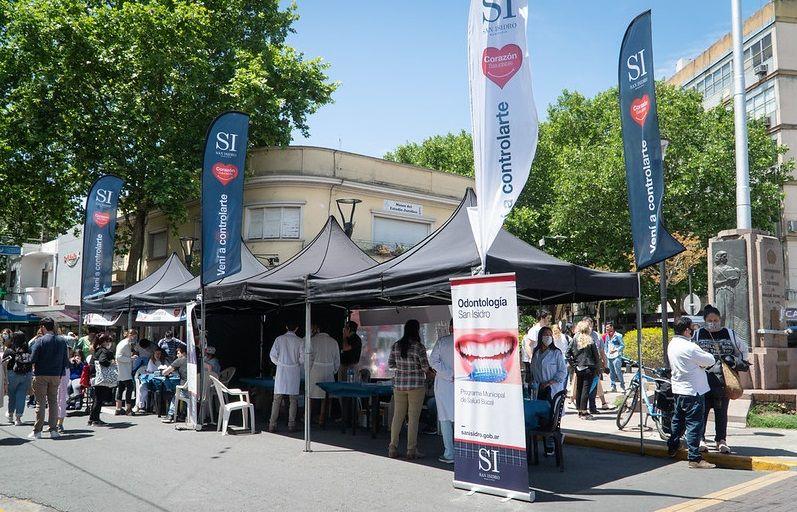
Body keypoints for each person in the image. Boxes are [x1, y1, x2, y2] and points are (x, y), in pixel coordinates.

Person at [693, 304, 750, 454]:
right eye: (710, 320)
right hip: (703, 380)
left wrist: (738, 363)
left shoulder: (729, 333)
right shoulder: (698, 334)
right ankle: (701, 439)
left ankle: (721, 440)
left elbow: (743, 349)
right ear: (705, 321)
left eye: (716, 320)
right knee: (702, 411)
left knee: (721, 411)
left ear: (720, 320)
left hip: (724, 380)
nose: (713, 323)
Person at [666, 317, 717, 469]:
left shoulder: (672, 344)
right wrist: (700, 365)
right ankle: (694, 458)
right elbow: (710, 360)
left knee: (678, 421)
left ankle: (673, 446)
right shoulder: (690, 347)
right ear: (687, 330)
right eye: (692, 328)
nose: (693, 331)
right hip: (693, 391)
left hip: (678, 389)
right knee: (694, 424)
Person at [388, 319, 430, 459]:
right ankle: (411, 450)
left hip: (399, 385)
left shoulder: (396, 345)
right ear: (416, 330)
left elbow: (390, 365)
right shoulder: (419, 347)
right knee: (413, 419)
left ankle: (392, 447)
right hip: (416, 385)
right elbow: (425, 367)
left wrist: (402, 367)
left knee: (397, 416)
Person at [28, 317, 69, 439]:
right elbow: (65, 361)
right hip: (56, 375)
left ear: (43, 327)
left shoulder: (40, 341)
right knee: (53, 402)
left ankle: (37, 431)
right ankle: (53, 429)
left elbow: (33, 358)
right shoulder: (62, 341)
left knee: (40, 403)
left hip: (41, 374)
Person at [530, 325, 568, 455]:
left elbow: (562, 372)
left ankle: (552, 443)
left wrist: (549, 382)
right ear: (540, 336)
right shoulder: (536, 353)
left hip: (552, 389)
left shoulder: (556, 353)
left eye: (550, 335)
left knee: (552, 417)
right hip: (538, 389)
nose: (548, 337)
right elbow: (533, 370)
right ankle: (549, 442)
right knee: (542, 416)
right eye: (545, 334)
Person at [269, 319, 304, 433]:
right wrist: (296, 363)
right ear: (297, 328)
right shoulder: (300, 341)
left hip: (281, 371)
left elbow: (272, 355)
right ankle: (291, 425)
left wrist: (279, 363)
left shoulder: (279, 339)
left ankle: (272, 424)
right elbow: (303, 358)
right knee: (293, 399)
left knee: (277, 399)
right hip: (294, 371)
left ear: (286, 327)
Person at [429, 319, 454, 464]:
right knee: (462, 420)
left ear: (450, 327)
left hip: (444, 385)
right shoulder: (469, 342)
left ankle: (450, 453)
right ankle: (462, 452)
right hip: (463, 384)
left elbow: (433, 361)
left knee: (445, 419)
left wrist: (449, 374)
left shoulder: (443, 341)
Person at [566, 320, 601, 420]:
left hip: (578, 368)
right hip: (589, 368)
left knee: (579, 389)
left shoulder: (574, 339)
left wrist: (573, 364)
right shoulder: (590, 340)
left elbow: (567, 353)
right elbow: (596, 356)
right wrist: (598, 368)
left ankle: (580, 411)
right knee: (586, 390)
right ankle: (584, 412)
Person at [307, 322, 340, 423]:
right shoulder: (334, 342)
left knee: (311, 395)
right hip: (329, 370)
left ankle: (308, 416)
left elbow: (309, 358)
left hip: (315, 370)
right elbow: (337, 359)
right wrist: (334, 370)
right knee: (326, 396)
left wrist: (308, 370)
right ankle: (323, 417)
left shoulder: (313, 340)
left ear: (319, 329)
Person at [3, 332, 33, 425]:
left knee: (12, 396)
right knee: (21, 396)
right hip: (25, 374)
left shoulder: (10, 350)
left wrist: (4, 378)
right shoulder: (28, 349)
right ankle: (18, 419)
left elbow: (4, 363)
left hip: (12, 374)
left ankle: (10, 415)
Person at [88, 334, 115, 426]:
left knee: (96, 398)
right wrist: (110, 363)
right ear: (104, 342)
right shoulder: (104, 351)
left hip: (94, 376)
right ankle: (95, 420)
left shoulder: (97, 350)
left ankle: (92, 419)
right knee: (99, 399)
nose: (110, 344)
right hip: (101, 377)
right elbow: (102, 361)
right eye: (109, 341)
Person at [523, 309, 551, 389]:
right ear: (542, 318)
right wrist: (532, 358)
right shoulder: (534, 330)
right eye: (547, 318)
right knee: (535, 384)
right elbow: (528, 345)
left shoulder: (545, 329)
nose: (549, 320)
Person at [587, 317, 610, 412]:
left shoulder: (597, 336)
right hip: (583, 365)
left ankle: (592, 407)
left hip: (595, 365)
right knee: (583, 387)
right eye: (587, 324)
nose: (589, 326)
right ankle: (582, 409)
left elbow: (602, 352)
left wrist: (605, 365)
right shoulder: (578, 336)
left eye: (590, 324)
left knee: (594, 386)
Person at [162, 346, 189, 423]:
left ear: (183, 353)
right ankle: (183, 414)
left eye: (178, 353)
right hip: (199, 391)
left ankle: (170, 415)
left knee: (176, 395)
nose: (177, 355)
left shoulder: (180, 360)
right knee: (183, 395)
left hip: (186, 389)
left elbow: (165, 372)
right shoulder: (197, 361)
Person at [137, 348, 167, 412]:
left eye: (159, 354)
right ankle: (142, 406)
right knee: (142, 387)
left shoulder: (164, 361)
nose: (158, 355)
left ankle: (157, 407)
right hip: (151, 380)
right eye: (156, 354)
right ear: (154, 354)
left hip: (160, 381)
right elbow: (150, 371)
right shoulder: (151, 361)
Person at [115, 330, 136, 416]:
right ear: (131, 335)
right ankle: (128, 409)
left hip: (122, 369)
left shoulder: (124, 343)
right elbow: (118, 357)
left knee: (120, 388)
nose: (134, 338)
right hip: (124, 369)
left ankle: (118, 408)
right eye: (134, 336)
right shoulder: (125, 344)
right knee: (130, 387)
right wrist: (130, 359)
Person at [603, 322, 626, 393]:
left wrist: (616, 350)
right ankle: (613, 386)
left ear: (612, 327)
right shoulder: (607, 336)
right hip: (609, 356)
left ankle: (622, 386)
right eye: (606, 328)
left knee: (618, 371)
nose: (606, 329)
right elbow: (605, 345)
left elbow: (622, 345)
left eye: (608, 327)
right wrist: (606, 353)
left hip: (616, 356)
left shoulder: (618, 335)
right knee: (611, 372)